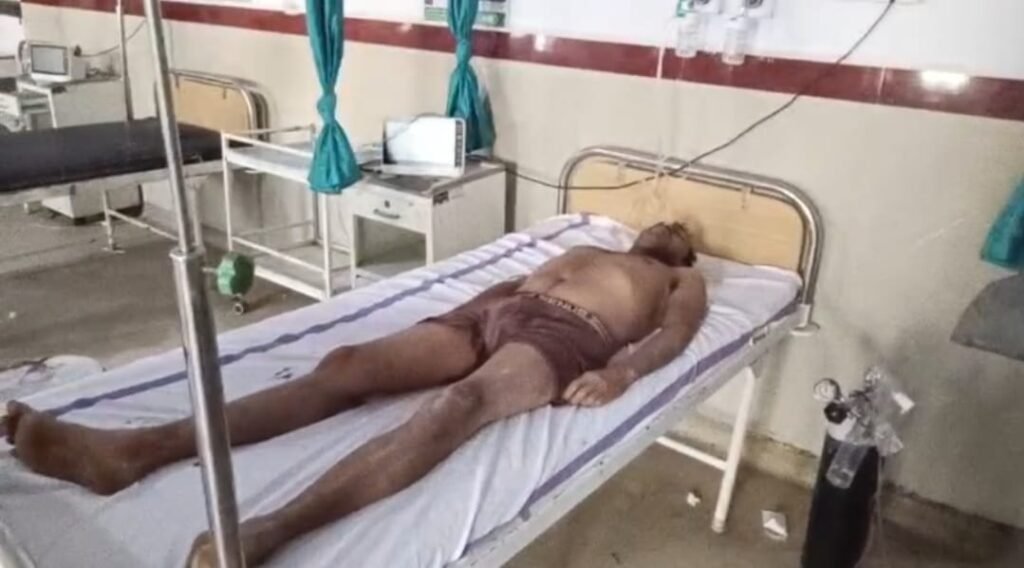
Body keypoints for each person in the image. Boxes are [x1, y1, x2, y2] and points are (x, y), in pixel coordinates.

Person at [3, 221, 708, 567]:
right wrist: (471, 314)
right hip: (495, 310)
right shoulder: (592, 245)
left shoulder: (681, 279)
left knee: (458, 405)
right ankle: (132, 451)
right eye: (665, 218)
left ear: (684, 254)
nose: (669, 224)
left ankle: (268, 531)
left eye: (681, 230)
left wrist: (622, 373)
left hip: (568, 337)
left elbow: (675, 333)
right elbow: (516, 285)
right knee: (344, 367)